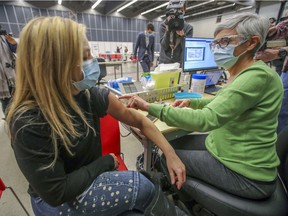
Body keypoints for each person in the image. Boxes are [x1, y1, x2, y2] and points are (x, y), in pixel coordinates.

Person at [6, 16, 188, 216]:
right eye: (84, 57)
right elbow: (56, 192)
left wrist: (170, 154)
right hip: (57, 199)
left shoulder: (88, 94)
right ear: (56, 66)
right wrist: (106, 162)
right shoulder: (28, 120)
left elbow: (139, 120)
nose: (93, 62)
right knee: (140, 186)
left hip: (92, 180)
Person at [120, 13, 283, 200]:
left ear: (251, 43)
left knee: (166, 155)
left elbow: (206, 120)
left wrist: (150, 107)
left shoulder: (256, 77)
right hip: (227, 149)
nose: (217, 49)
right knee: (172, 144)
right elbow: (224, 99)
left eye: (224, 42)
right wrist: (194, 102)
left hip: (245, 172)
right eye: (215, 44)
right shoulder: (249, 73)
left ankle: (178, 203)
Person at [254, 11, 288, 134]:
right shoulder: (284, 25)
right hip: (285, 67)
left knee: (283, 110)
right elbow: (281, 29)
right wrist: (270, 31)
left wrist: (280, 52)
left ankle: (280, 148)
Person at [159, 0, 193, 66]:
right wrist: (168, 31)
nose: (176, 12)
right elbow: (164, 46)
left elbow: (187, 49)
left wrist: (183, 36)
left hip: (178, 64)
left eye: (179, 9)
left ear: (185, 9)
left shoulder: (188, 28)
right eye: (174, 9)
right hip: (164, 63)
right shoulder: (163, 25)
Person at [0, 28, 17, 117]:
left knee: (16, 95)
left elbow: (16, 50)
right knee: (6, 100)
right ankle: (8, 118)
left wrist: (14, 43)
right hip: (1, 79)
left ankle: (15, 115)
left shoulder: (4, 39)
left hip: (11, 74)